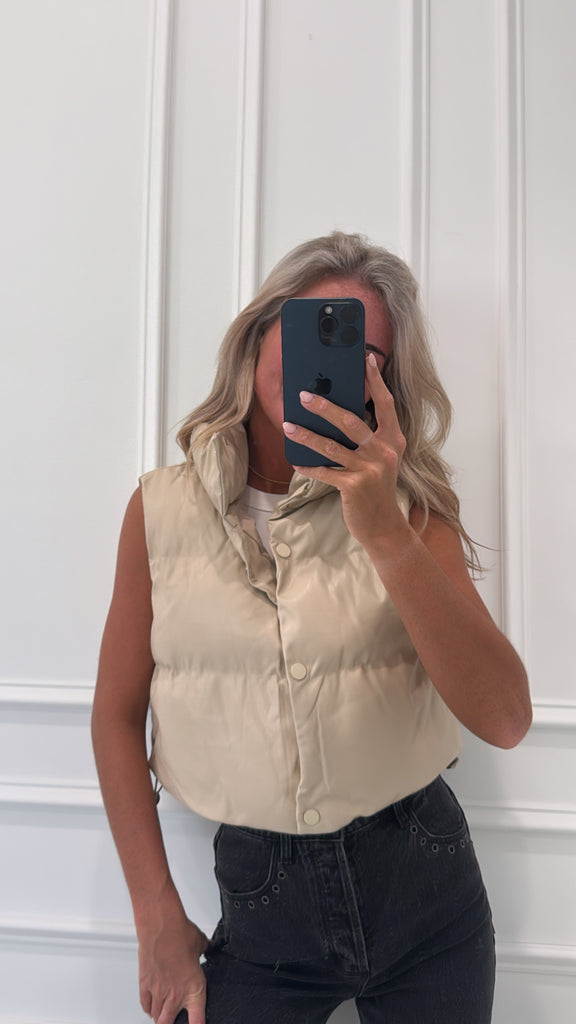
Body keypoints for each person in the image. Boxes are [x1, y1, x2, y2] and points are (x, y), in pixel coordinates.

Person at [91, 231, 532, 1024]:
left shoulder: (410, 509)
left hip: (427, 890)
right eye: (307, 329)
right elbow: (116, 718)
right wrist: (155, 917)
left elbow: (505, 718)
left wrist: (385, 534)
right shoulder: (159, 510)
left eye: (359, 350)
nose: (320, 361)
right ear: (260, 334)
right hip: (261, 908)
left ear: (381, 384)